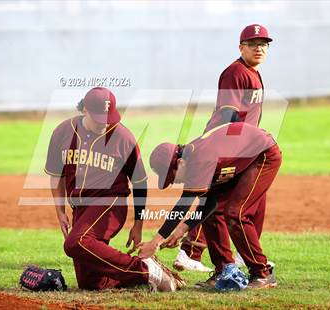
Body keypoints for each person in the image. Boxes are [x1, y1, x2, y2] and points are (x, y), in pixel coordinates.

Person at [45, 87, 181, 291]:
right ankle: (145, 277)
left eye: (109, 117)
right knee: (91, 283)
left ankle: (145, 269)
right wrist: (61, 212)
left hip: (110, 204)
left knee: (76, 242)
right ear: (84, 110)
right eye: (99, 118)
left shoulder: (123, 137)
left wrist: (138, 224)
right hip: (80, 210)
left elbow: (140, 183)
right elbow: (57, 176)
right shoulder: (62, 132)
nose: (105, 122)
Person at [175, 23, 274, 281]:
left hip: (245, 151)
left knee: (247, 202)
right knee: (218, 205)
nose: (259, 48)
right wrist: (222, 151)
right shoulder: (235, 72)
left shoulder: (252, 72)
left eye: (263, 44)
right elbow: (227, 115)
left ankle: (228, 259)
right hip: (230, 150)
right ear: (241, 47)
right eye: (252, 44)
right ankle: (199, 256)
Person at [138, 121, 282, 289]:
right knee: (211, 214)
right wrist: (179, 230)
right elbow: (209, 204)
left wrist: (156, 241)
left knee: (235, 214)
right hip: (240, 160)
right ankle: (223, 270)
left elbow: (184, 203)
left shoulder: (199, 158)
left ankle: (262, 273)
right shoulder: (191, 158)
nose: (176, 181)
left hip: (262, 154)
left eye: (173, 176)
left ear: (180, 163)